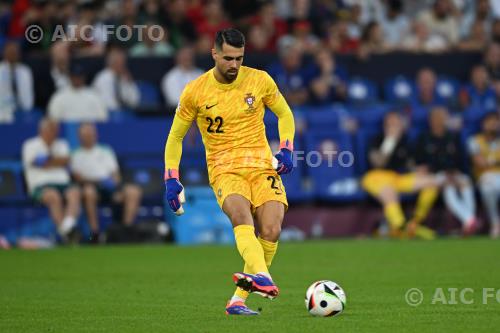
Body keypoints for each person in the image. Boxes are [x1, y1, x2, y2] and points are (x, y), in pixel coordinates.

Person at [164, 29, 295, 315]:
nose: (234, 65)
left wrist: (286, 147)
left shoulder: (260, 80)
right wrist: (172, 178)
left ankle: (238, 301)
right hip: (225, 169)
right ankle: (264, 278)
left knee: (271, 229)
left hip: (261, 166)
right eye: (228, 58)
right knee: (241, 215)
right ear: (214, 54)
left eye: (239, 58)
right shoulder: (195, 91)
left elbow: (284, 113)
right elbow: (175, 137)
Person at [362, 111, 443, 239]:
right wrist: (390, 141)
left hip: (397, 178)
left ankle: (415, 223)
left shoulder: (405, 141)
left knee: (433, 181)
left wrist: (418, 170)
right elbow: (378, 163)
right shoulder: (376, 139)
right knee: (389, 192)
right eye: (391, 124)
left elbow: (409, 164)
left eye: (396, 124)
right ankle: (400, 226)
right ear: (385, 126)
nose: (394, 127)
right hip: (375, 177)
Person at [71, 123, 143, 243]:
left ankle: (125, 231)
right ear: (80, 137)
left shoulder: (106, 150)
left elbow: (115, 174)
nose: (89, 137)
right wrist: (99, 182)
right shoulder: (75, 154)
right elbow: (78, 178)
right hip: (90, 187)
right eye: (86, 135)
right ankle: (95, 234)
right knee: (89, 192)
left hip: (110, 187)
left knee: (134, 191)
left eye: (91, 134)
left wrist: (116, 188)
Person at [415, 107, 479, 235]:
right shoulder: (424, 138)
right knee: (448, 188)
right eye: (437, 117)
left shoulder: (453, 137)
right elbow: (421, 163)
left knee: (465, 181)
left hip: (454, 173)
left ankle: (469, 222)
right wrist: (443, 174)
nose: (440, 120)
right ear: (431, 120)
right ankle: (470, 220)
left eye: (443, 117)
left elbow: (460, 159)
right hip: (434, 176)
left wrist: (454, 173)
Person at [21, 118, 81, 241]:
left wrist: (49, 161)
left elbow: (66, 160)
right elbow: (39, 163)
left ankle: (67, 226)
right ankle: (66, 234)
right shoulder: (30, 144)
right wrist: (57, 161)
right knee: (54, 196)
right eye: (52, 129)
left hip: (63, 183)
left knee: (75, 192)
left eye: (56, 130)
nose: (55, 132)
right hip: (40, 185)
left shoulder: (62, 144)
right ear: (42, 130)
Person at [468, 112, 500, 238]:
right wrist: (495, 161)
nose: (493, 125)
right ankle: (495, 223)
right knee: (487, 187)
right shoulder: (474, 141)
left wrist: (489, 161)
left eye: (495, 122)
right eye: (489, 122)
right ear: (483, 125)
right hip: (484, 177)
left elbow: (485, 161)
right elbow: (480, 163)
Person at [0, 40, 34, 123]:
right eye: (10, 52)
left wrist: (26, 110)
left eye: (15, 52)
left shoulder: (25, 71)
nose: (12, 54)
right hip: (3, 110)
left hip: (23, 110)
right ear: (4, 53)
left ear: (19, 54)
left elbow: (29, 95)